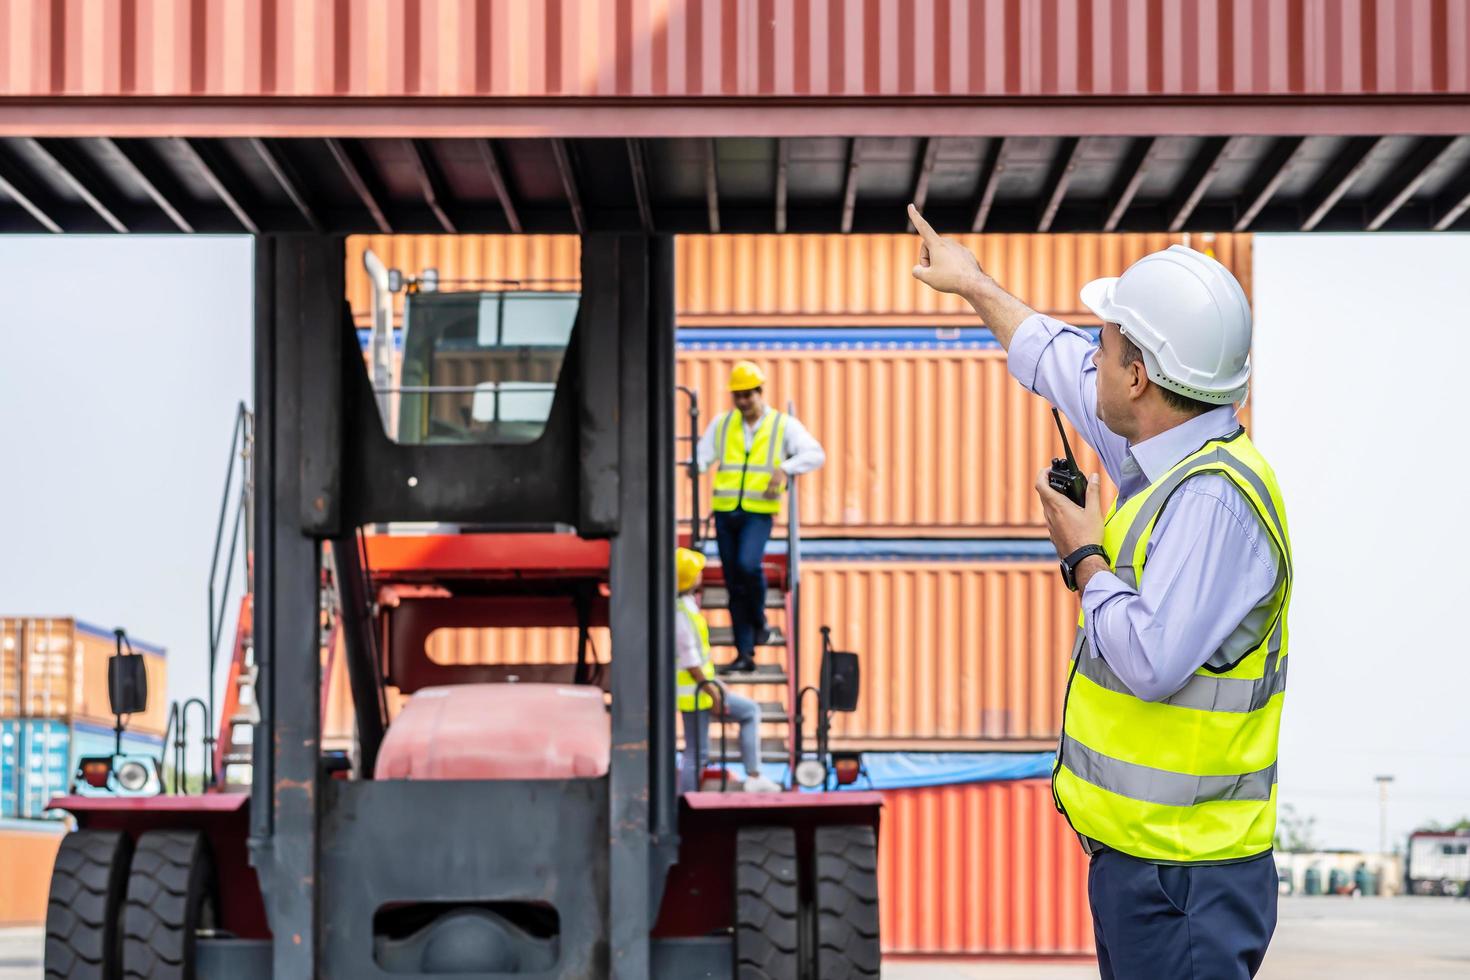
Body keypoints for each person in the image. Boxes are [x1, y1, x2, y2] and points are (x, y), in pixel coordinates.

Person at [909, 204, 1291, 980]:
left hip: (1187, 876)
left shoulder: (1213, 505)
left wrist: (1084, 554)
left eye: (1107, 344)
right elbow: (1056, 362)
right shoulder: (1159, 448)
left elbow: (1151, 660)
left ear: (1141, 375)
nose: (1094, 354)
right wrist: (975, 286)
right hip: (1146, 865)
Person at [697, 360, 825, 672]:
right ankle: (745, 653)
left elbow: (815, 454)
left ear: (760, 393)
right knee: (733, 583)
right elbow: (701, 458)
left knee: (747, 566)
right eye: (737, 396)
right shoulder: (723, 424)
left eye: (747, 395)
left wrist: (785, 468)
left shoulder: (783, 426)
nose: (742, 402)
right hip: (726, 513)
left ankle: (758, 620)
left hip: (758, 513)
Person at [674, 547, 781, 793]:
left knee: (698, 750)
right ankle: (685, 800)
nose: (702, 575)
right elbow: (691, 661)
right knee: (697, 751)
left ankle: (686, 798)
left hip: (700, 689)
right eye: (698, 572)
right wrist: (713, 693)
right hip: (696, 693)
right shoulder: (681, 615)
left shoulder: (685, 605)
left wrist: (715, 685)